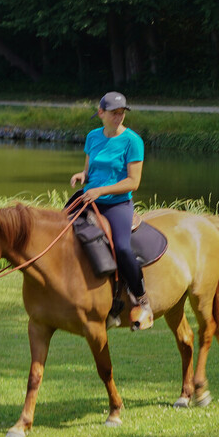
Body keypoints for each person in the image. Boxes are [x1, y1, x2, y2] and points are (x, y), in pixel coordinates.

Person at [70, 91, 151, 330]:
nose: (118, 117)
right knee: (58, 231)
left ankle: (142, 299)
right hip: (89, 198)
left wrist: (100, 191)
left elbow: (133, 182)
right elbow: (90, 169)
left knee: (123, 248)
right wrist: (82, 175)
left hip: (117, 203)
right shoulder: (93, 137)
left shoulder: (133, 141)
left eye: (121, 113)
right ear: (101, 113)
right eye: (114, 113)